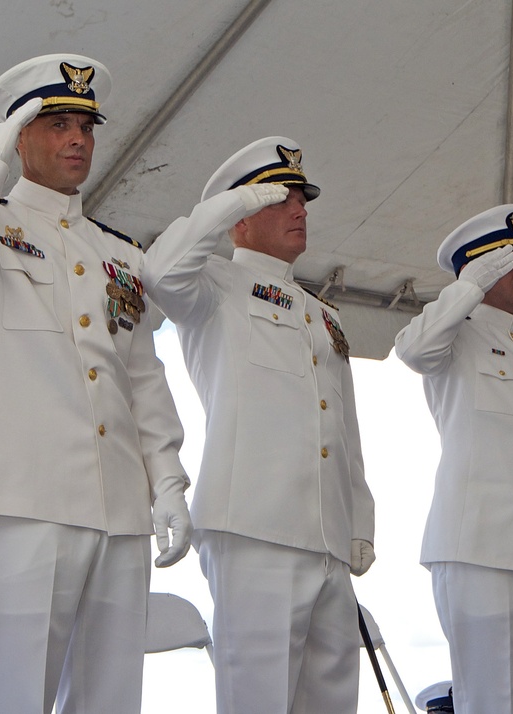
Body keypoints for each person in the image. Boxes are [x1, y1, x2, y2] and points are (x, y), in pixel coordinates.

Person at [0, 54, 193, 713]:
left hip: (120, 507)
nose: (77, 139)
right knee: (18, 694)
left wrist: (171, 484)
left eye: (86, 127)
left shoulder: (119, 255)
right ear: (20, 135)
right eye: (56, 124)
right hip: (22, 501)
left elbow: (142, 379)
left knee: (111, 698)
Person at [142, 136, 376, 713]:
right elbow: (159, 271)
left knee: (330, 703)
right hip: (253, 528)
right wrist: (230, 203)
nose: (299, 210)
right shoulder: (213, 285)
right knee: (257, 700)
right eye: (280, 199)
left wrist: (359, 517)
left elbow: (344, 430)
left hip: (326, 533)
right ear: (240, 217)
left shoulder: (322, 314)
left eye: (301, 199)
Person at [395, 204, 513, 713]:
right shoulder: (452, 335)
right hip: (481, 553)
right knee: (490, 703)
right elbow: (412, 349)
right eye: (509, 259)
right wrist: (468, 288)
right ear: (477, 266)